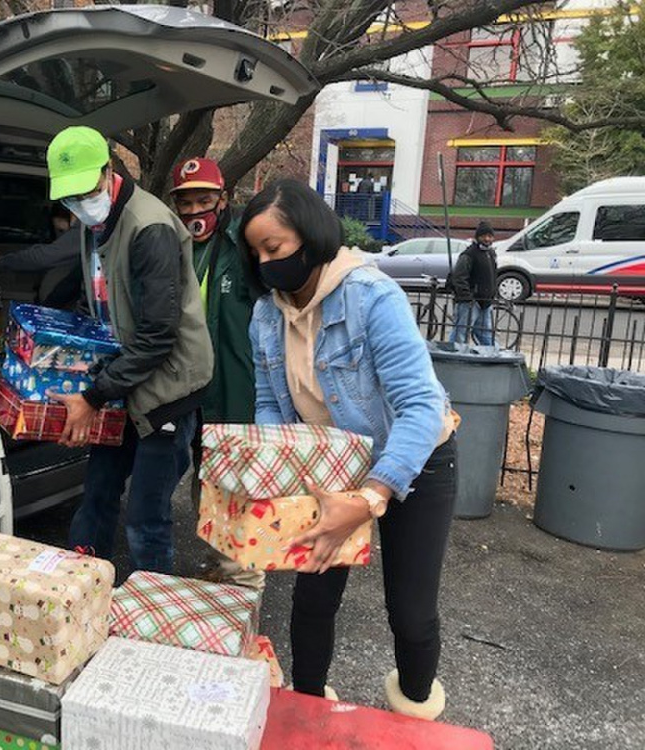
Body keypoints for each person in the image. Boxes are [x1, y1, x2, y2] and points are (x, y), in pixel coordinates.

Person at [242, 179, 458, 720]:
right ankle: (309, 710)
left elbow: (419, 407)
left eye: (275, 248)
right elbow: (270, 401)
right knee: (312, 597)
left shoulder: (371, 296)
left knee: (410, 611)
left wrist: (371, 497)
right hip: (328, 466)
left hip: (413, 460)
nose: (266, 262)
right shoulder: (266, 315)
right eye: (256, 252)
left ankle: (413, 709)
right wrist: (279, 463)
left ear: (311, 237)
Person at [46, 126, 214, 575]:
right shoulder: (95, 224)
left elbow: (158, 334)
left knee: (146, 517)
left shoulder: (149, 226)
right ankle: (78, 596)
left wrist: (92, 397)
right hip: (122, 377)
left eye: (84, 191)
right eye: (68, 198)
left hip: (164, 390)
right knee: (97, 496)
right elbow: (103, 299)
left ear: (109, 170)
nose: (78, 204)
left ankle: (152, 624)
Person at [169, 157, 262, 589]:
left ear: (223, 200)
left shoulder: (241, 247)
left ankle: (243, 574)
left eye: (203, 200)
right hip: (195, 389)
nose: (193, 212)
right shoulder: (178, 246)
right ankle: (220, 560)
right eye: (185, 203)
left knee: (237, 480)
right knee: (205, 476)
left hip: (234, 387)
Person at [450, 221, 498, 346]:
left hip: (485, 301)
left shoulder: (491, 254)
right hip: (471, 301)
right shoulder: (469, 255)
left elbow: (492, 275)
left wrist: (493, 294)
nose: (487, 239)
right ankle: (454, 357)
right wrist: (467, 297)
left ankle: (493, 356)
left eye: (490, 236)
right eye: (484, 236)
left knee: (485, 333)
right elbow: (459, 277)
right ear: (478, 237)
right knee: (460, 333)